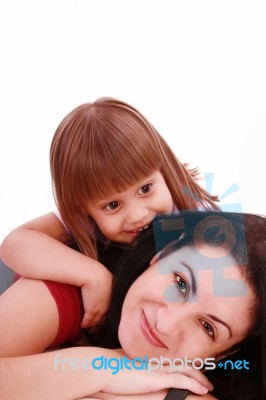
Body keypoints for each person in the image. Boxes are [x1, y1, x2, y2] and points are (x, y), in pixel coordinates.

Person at [0, 97, 218, 328]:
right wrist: (93, 275)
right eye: (112, 205)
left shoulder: (198, 218)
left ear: (162, 168)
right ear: (83, 208)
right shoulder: (86, 218)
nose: (138, 215)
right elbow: (14, 243)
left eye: (145, 189)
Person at [1, 211, 265, 400]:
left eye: (207, 327)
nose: (165, 324)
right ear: (163, 253)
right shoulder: (66, 289)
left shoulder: (203, 383)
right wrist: (102, 368)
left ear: (224, 355)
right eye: (181, 283)